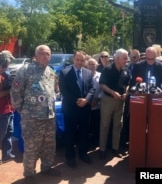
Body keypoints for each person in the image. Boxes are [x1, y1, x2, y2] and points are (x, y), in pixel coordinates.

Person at [10, 45, 60, 178]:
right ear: (36, 55)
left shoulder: (50, 71)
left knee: (49, 145)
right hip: (32, 119)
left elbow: (54, 91)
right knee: (32, 147)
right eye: (43, 54)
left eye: (48, 54)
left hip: (49, 117)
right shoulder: (25, 70)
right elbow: (15, 92)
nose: (46, 57)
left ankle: (46, 167)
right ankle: (29, 174)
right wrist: (23, 111)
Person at [59, 51, 95, 168]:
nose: (79, 62)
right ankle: (70, 157)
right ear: (73, 59)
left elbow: (92, 89)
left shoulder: (89, 73)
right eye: (77, 60)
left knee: (84, 132)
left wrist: (86, 100)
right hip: (70, 109)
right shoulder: (64, 72)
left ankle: (83, 154)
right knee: (70, 133)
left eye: (82, 60)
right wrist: (78, 100)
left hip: (85, 108)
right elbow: (64, 90)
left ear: (85, 61)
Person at [99, 48, 130, 159]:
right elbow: (102, 85)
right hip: (108, 100)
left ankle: (115, 148)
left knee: (118, 125)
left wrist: (126, 93)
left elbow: (127, 84)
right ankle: (102, 149)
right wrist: (113, 93)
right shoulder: (107, 69)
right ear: (117, 58)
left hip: (121, 101)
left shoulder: (126, 70)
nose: (127, 60)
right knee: (105, 124)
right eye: (125, 58)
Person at [0, 51, 15, 162]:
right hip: (1, 111)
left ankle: (7, 154)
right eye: (9, 62)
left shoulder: (6, 74)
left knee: (9, 132)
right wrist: (11, 89)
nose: (9, 64)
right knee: (1, 134)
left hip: (8, 109)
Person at [87, 58, 102, 148]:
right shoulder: (84, 75)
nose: (92, 66)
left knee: (97, 125)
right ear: (87, 65)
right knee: (87, 125)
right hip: (87, 104)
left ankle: (95, 142)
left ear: (97, 65)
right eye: (90, 64)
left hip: (98, 104)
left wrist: (97, 99)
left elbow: (103, 89)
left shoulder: (101, 75)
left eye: (93, 64)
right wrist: (89, 100)